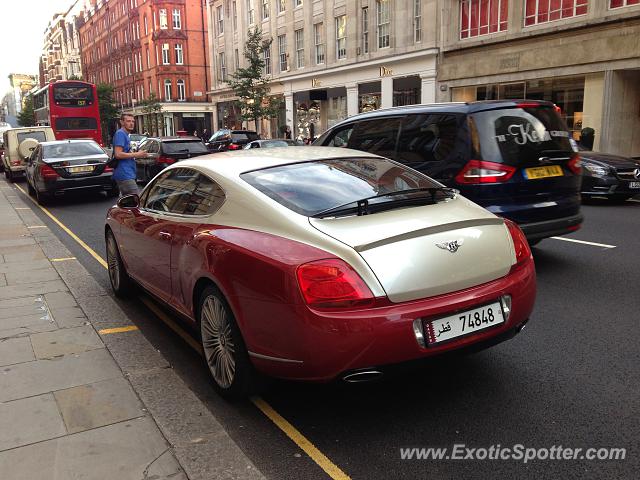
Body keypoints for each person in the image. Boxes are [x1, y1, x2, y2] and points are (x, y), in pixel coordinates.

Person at [112, 113, 147, 196]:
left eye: (133, 121)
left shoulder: (125, 135)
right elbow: (118, 154)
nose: (131, 123)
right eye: (128, 121)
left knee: (128, 202)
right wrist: (137, 154)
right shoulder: (120, 134)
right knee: (135, 200)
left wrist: (138, 154)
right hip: (124, 173)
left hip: (128, 173)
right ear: (122, 122)